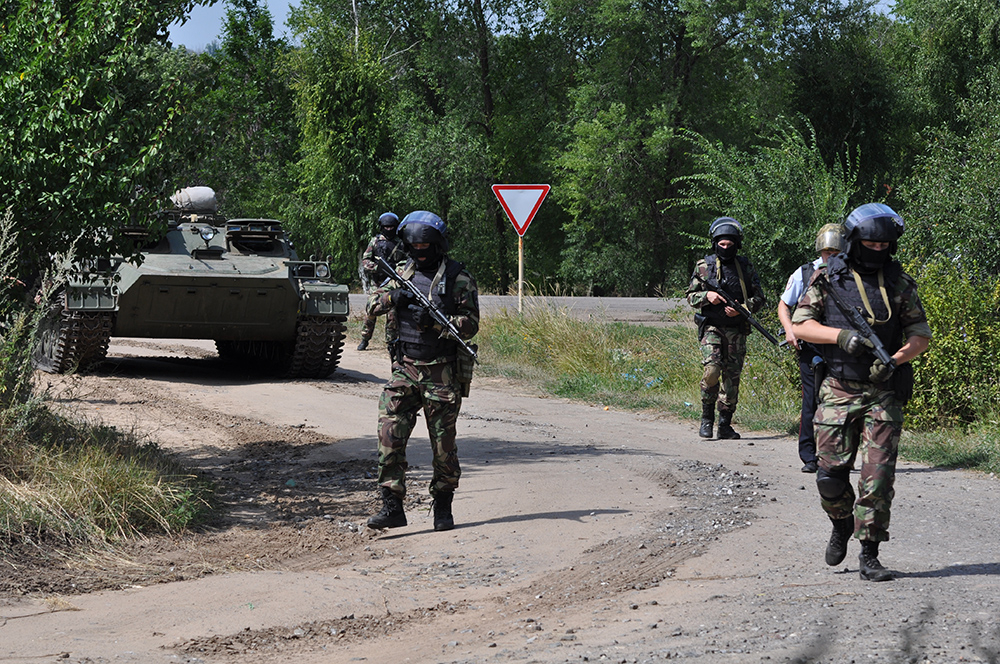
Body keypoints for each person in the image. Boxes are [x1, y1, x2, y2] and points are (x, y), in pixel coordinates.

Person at [791, 203, 931, 582]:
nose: (878, 250)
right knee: (830, 477)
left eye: (884, 245)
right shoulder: (829, 279)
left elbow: (921, 335)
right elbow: (802, 325)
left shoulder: (898, 283)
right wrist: (842, 337)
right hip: (838, 388)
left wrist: (897, 360)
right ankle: (840, 523)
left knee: (877, 476)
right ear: (855, 242)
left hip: (883, 391)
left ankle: (870, 553)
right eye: (870, 243)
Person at [365, 211, 479, 532]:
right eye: (414, 245)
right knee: (389, 432)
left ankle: (443, 508)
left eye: (426, 245)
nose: (420, 251)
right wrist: (394, 296)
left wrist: (440, 321)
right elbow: (372, 304)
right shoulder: (401, 272)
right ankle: (392, 506)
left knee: (443, 446)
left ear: (438, 244)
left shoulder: (458, 278)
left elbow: (470, 325)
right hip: (405, 368)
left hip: (441, 371)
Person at [686, 217, 766, 440]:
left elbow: (760, 298)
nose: (725, 248)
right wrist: (707, 296)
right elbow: (690, 296)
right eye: (721, 244)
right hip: (711, 326)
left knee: (732, 378)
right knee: (711, 371)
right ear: (715, 243)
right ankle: (706, 419)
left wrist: (743, 307)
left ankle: (725, 424)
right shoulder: (704, 266)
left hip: (736, 329)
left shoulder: (745, 267)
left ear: (737, 244)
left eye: (730, 244)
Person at [778, 224, 845, 474]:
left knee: (841, 401)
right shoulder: (805, 273)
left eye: (837, 252)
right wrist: (790, 329)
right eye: (828, 252)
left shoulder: (853, 274)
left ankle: (836, 454)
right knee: (812, 399)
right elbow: (784, 305)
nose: (832, 257)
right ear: (821, 250)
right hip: (812, 347)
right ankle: (809, 455)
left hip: (842, 346)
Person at [357, 212, 402, 351]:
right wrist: (377, 268)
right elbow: (365, 260)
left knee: (392, 314)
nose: (389, 229)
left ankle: (391, 342)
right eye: (386, 227)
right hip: (377, 283)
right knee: (371, 310)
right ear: (382, 227)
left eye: (391, 227)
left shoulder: (401, 242)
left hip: (394, 282)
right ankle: (365, 338)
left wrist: (399, 269)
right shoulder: (375, 241)